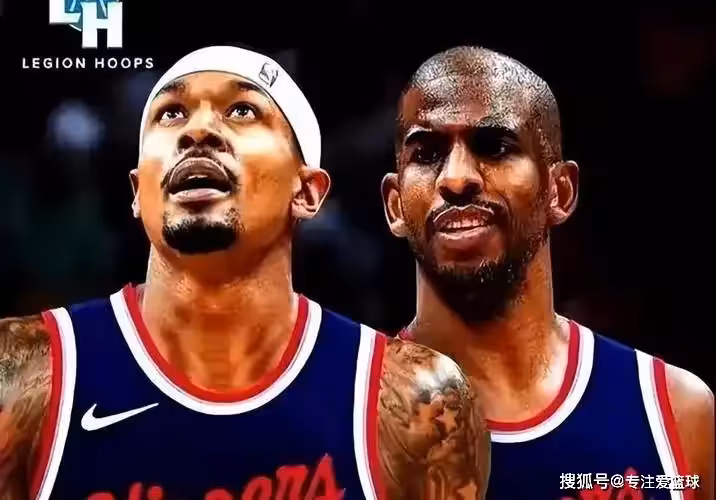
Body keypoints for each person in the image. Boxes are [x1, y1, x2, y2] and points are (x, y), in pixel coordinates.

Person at [0, 46, 490, 499]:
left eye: (241, 111)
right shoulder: (21, 373)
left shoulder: (417, 401)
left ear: (308, 192)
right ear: (136, 192)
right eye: (171, 114)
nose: (198, 130)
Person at [381, 46, 713, 500]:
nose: (456, 179)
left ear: (560, 191)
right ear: (395, 205)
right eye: (426, 153)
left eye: (495, 147)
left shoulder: (675, 410)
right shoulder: (339, 419)